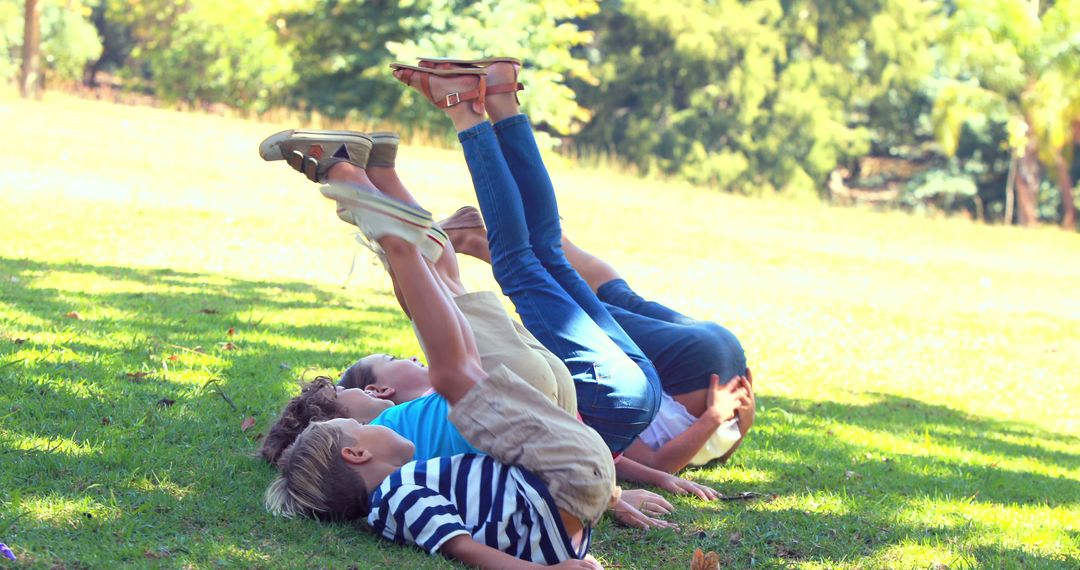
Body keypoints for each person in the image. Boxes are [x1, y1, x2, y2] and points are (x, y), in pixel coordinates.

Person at [264, 177, 615, 568]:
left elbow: (496, 518)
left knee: (462, 358)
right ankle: (397, 245)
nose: (375, 424)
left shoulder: (409, 485)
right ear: (357, 452)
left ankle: (401, 242)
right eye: (361, 427)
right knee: (453, 375)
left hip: (574, 487)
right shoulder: (397, 497)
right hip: (570, 478)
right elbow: (463, 548)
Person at [441, 209, 757, 472]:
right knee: (572, 306)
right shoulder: (615, 421)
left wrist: (736, 423)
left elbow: (696, 457)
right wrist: (720, 419)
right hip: (698, 370)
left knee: (610, 297)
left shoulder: (622, 426)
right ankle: (496, 234)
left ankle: (542, 229)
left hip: (719, 354)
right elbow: (661, 464)